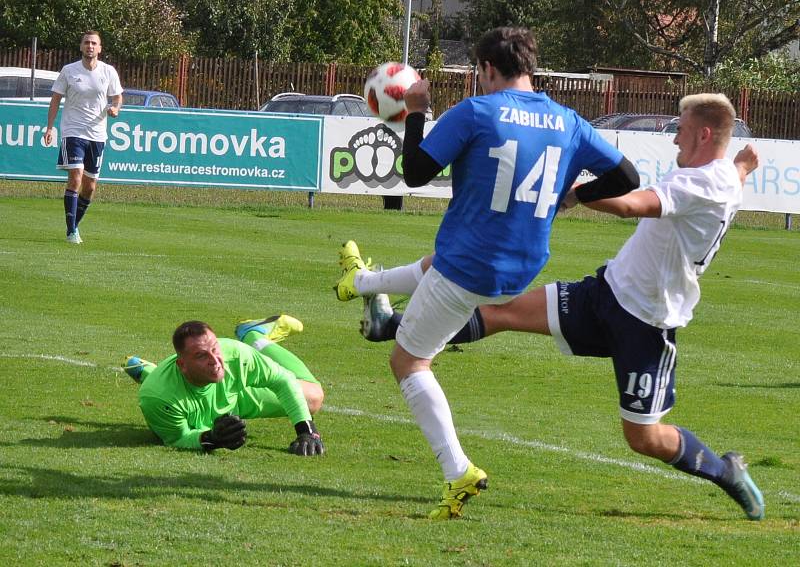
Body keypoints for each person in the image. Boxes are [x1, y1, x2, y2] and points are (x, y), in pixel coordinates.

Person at [349, 95, 766, 520]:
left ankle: (724, 470)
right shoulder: (725, 175)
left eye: (681, 127)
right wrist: (745, 163)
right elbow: (735, 171)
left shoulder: (700, 184)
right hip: (604, 294)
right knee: (501, 312)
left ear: (704, 134)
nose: (675, 136)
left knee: (643, 438)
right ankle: (395, 325)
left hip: (648, 322)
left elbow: (627, 205)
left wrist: (563, 194)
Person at [334, 26, 640, 519]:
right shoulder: (568, 121)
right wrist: (576, 195)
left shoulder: (476, 112)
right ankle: (363, 283)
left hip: (472, 266)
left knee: (408, 362)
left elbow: (413, 174)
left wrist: (416, 111)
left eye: (478, 71)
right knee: (437, 265)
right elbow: (628, 178)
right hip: (521, 266)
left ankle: (457, 472)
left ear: (487, 69)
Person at [124, 315, 325, 456]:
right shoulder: (157, 398)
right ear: (182, 365)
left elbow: (283, 380)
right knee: (166, 391)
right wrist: (211, 438)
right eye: (202, 355)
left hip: (236, 395)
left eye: (215, 349)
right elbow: (178, 438)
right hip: (173, 390)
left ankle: (254, 335)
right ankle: (151, 373)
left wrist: (306, 430)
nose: (216, 361)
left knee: (313, 398)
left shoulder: (237, 355)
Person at [43, 30, 123, 244]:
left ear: (99, 48)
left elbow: (117, 97)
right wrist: (49, 128)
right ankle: (71, 231)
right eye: (86, 42)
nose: (90, 46)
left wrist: (115, 108)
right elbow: (55, 99)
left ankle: (74, 225)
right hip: (73, 131)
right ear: (81, 47)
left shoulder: (108, 71)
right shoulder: (69, 71)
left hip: (97, 135)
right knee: (76, 178)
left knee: (90, 186)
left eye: (93, 43)